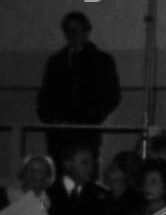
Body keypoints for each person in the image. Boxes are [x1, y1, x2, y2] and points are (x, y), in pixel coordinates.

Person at [37, 11, 121, 162]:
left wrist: (93, 115)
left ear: (86, 31)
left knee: (84, 169)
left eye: (76, 30)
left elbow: (112, 94)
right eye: (68, 30)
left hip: (86, 130)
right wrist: (49, 117)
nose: (72, 34)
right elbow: (45, 93)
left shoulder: (101, 60)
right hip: (58, 131)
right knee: (58, 169)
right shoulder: (56, 61)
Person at [47, 140, 111, 215]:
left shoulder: (100, 195)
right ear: (68, 164)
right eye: (84, 163)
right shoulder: (50, 194)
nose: (90, 168)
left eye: (92, 163)